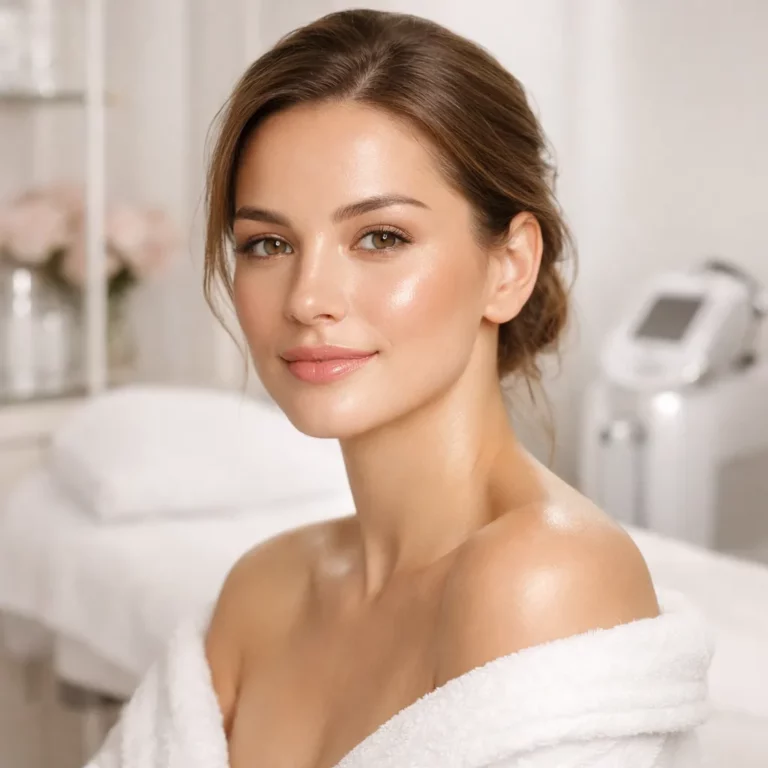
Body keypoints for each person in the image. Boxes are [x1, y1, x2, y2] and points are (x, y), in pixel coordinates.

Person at [88, 9, 711, 768]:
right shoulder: (263, 591)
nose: (308, 297)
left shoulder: (544, 579)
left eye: (380, 237)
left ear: (508, 266)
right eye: (269, 244)